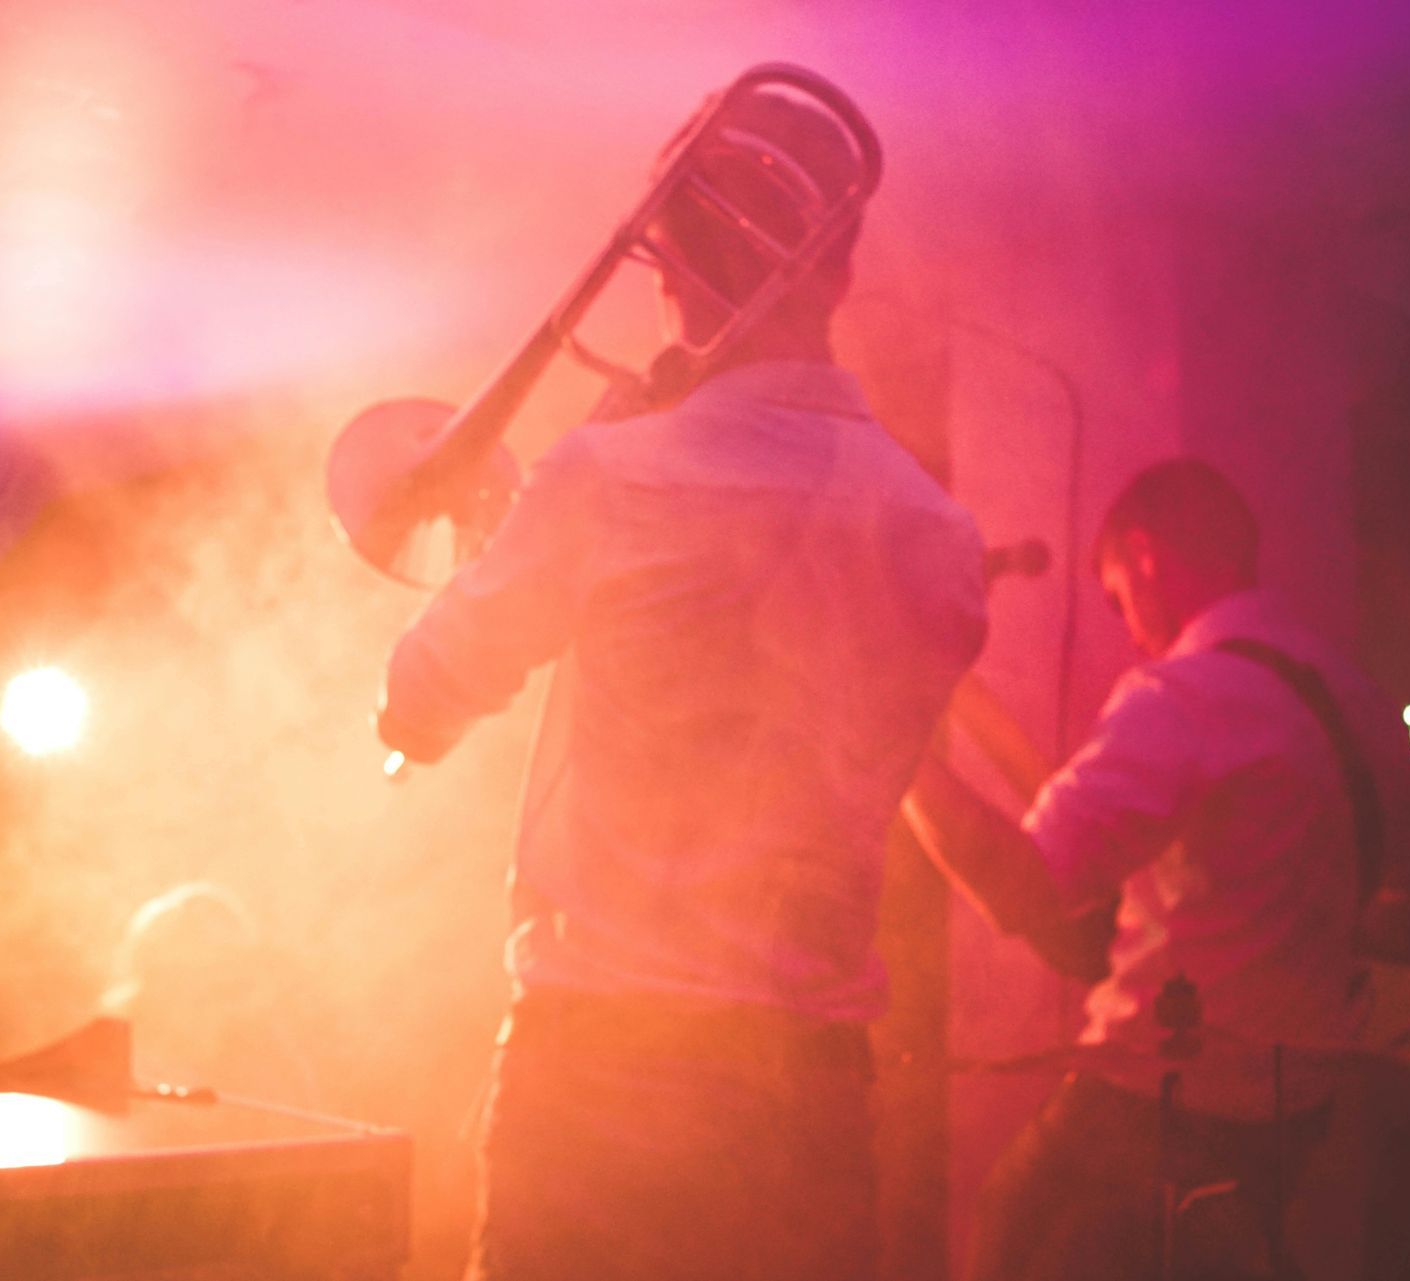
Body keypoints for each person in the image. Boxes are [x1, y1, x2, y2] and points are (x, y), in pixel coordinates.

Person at [374, 76, 988, 1281]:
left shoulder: (605, 478)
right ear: (843, 274)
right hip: (807, 1093)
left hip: (599, 1069)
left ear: (665, 269)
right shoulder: (942, 540)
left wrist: (559, 492)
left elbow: (419, 698)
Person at [904, 457, 1410, 1281]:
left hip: (1147, 1103)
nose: (1129, 628)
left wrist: (889, 741)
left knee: (1008, 1232)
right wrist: (1289, 908)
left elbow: (1019, 887)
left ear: (1145, 556)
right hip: (1294, 1114)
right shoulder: (1362, 701)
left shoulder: (1180, 696)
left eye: (1118, 597)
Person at [100, 880, 320, 1108]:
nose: (226, 999)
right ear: (156, 978)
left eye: (232, 976)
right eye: (205, 977)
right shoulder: (108, 1058)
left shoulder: (270, 1059)